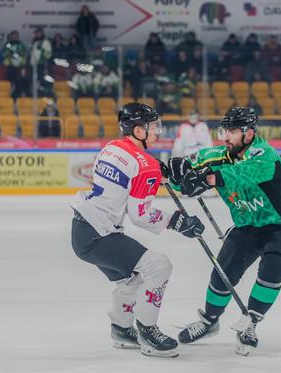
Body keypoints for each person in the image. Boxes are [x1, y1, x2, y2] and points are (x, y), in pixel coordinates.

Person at [70, 103, 205, 358]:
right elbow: (140, 215)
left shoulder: (112, 148)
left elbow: (135, 170)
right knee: (159, 266)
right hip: (100, 234)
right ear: (138, 130)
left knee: (130, 280)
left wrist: (163, 173)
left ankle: (121, 330)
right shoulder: (145, 164)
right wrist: (177, 221)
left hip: (82, 230)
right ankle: (147, 331)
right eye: (153, 126)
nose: (158, 131)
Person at [168, 107, 281, 355]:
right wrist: (176, 172)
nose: (225, 137)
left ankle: (250, 323)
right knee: (221, 276)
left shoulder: (265, 154)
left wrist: (209, 179)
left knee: (273, 269)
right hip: (246, 227)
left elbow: (246, 173)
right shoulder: (217, 154)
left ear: (249, 133)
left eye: (231, 131)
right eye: (224, 130)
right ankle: (209, 321)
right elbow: (189, 167)